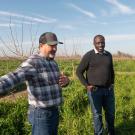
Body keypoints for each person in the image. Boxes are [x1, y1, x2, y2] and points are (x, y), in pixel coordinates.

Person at [0, 32, 69, 135]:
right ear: (41, 46)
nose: (55, 48)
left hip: (54, 112)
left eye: (56, 45)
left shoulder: (53, 63)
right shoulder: (33, 62)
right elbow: (14, 77)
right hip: (41, 114)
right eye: (51, 45)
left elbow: (59, 82)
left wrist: (66, 82)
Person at [76, 35, 115, 135]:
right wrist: (86, 85)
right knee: (97, 115)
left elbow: (111, 70)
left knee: (110, 113)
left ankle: (111, 132)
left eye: (102, 42)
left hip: (108, 90)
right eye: (98, 43)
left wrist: (112, 83)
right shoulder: (89, 55)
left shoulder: (108, 55)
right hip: (95, 91)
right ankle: (99, 133)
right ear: (94, 44)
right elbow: (79, 71)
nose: (101, 45)